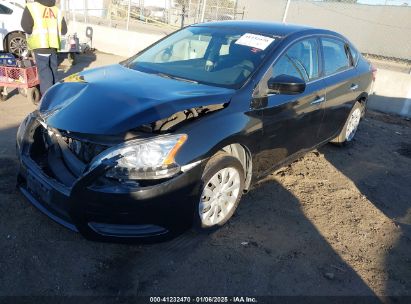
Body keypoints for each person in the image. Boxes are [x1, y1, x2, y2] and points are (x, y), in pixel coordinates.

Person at [21, 0, 68, 95]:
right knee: (53, 71)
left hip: (40, 45)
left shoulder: (32, 7)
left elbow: (26, 26)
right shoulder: (56, 10)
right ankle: (56, 95)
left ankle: (48, 99)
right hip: (53, 46)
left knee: (45, 73)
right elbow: (64, 30)